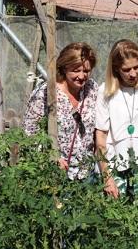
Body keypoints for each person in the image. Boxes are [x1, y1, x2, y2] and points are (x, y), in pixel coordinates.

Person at [23, 42, 98, 180]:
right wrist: (50, 158)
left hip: (87, 173)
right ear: (64, 68)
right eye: (76, 71)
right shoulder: (46, 93)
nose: (81, 77)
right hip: (57, 174)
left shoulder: (92, 89)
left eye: (86, 71)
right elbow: (30, 132)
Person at [95, 40, 138, 198]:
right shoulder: (106, 92)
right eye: (126, 69)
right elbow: (100, 139)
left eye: (136, 67)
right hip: (116, 167)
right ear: (116, 69)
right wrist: (107, 177)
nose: (133, 74)